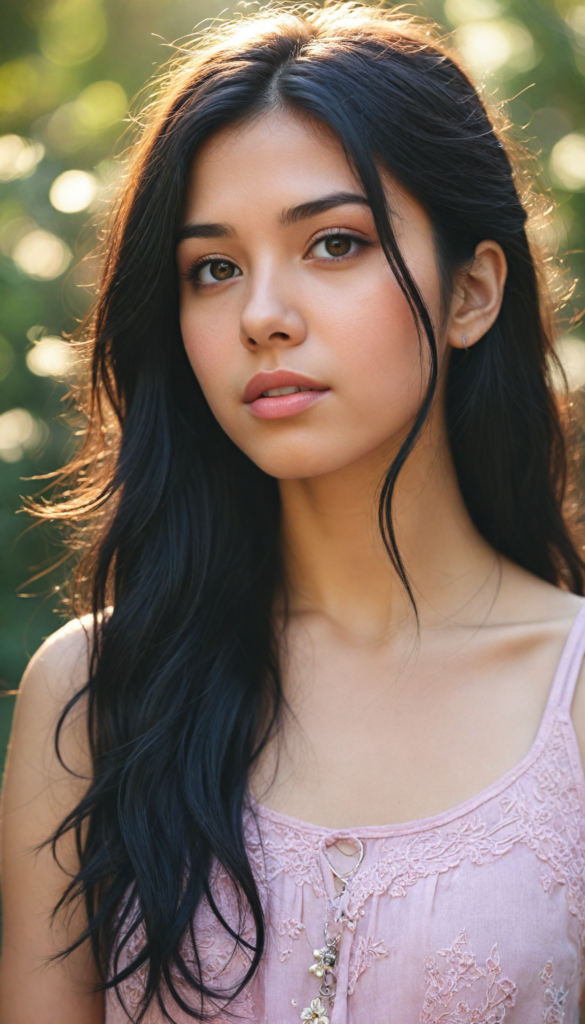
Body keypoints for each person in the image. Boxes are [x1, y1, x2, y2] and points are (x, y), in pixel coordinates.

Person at [2, 3, 585, 1022]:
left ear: (472, 292)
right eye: (213, 268)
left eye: (334, 243)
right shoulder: (97, 696)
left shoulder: (571, 702)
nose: (262, 313)